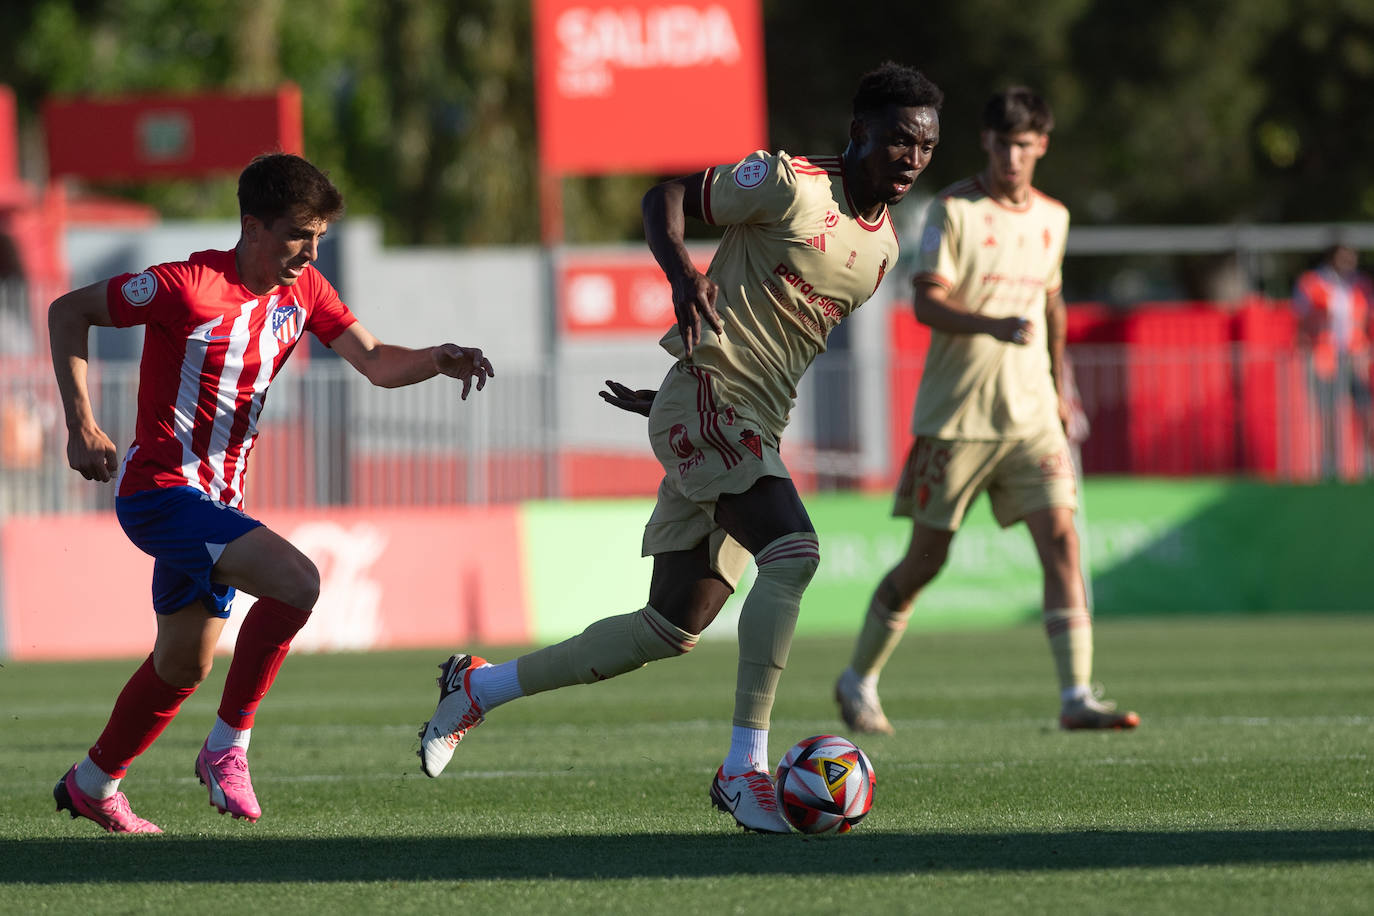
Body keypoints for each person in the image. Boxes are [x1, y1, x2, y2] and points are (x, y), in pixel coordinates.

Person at [416, 62, 943, 833]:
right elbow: (662, 193)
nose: (912, 158)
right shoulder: (788, 184)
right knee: (793, 552)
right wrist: (680, 277)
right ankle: (744, 770)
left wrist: (678, 412)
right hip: (710, 403)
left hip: (735, 420)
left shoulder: (882, 253)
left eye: (925, 147)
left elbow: (775, 338)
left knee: (671, 627)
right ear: (859, 131)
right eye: (898, 140)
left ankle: (478, 690)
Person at [49, 153, 494, 834]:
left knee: (180, 665)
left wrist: (436, 359)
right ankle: (228, 748)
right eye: (297, 235)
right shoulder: (187, 285)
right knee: (298, 582)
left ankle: (93, 782)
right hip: (161, 492)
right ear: (251, 226)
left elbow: (373, 361)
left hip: (217, 504)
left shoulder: (306, 290)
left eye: (318, 238)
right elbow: (68, 311)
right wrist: (82, 424)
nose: (310, 252)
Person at [833, 86, 1140, 736]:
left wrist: (1063, 387)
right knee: (925, 563)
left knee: (1062, 541)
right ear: (986, 145)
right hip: (957, 419)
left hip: (1031, 418)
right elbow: (925, 303)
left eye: (1023, 146)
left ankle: (1076, 695)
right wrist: (993, 325)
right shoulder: (954, 211)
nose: (1011, 158)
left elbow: (1052, 304)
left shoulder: (1053, 217)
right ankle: (858, 677)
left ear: (1042, 146)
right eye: (1001, 146)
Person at [1292, 243, 1374, 478]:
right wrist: (1304, 346)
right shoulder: (1313, 282)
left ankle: (1368, 462)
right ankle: (1330, 465)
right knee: (1327, 412)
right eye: (1343, 257)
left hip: (1356, 357)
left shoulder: (1361, 284)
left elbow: (1365, 320)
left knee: (1365, 409)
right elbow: (1301, 319)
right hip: (1325, 356)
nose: (1348, 262)